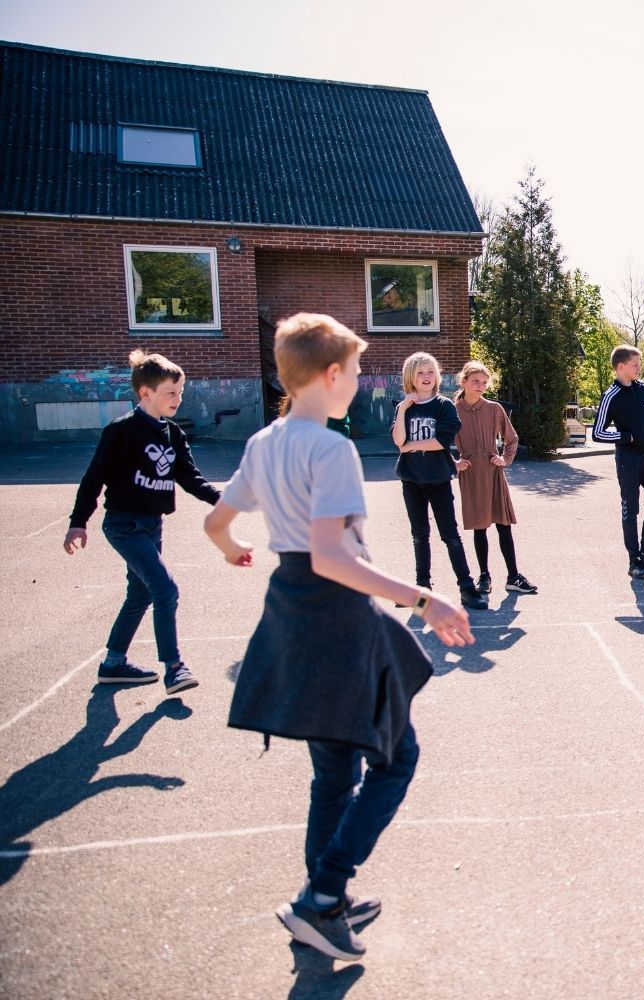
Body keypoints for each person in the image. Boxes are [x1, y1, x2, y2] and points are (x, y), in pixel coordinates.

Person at [204, 313, 474, 963]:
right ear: (330, 376)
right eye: (354, 371)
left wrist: (236, 549)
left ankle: (324, 899)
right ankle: (322, 896)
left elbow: (217, 522)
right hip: (335, 616)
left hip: (289, 609)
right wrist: (424, 597)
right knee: (395, 758)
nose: (358, 381)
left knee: (334, 771)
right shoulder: (331, 449)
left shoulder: (264, 443)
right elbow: (331, 556)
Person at [64, 350, 220, 695]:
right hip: (123, 525)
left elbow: (190, 477)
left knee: (140, 594)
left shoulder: (173, 434)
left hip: (152, 525)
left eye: (180, 393)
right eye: (171, 393)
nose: (178, 400)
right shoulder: (122, 431)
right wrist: (78, 522)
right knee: (165, 589)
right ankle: (175, 668)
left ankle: (113, 664)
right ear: (145, 393)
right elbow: (94, 478)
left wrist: (224, 500)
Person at [392, 352, 487, 610]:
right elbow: (398, 441)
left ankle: (467, 588)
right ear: (410, 377)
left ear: (437, 376)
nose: (426, 377)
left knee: (450, 536)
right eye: (420, 372)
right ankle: (422, 591)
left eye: (430, 372)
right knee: (419, 536)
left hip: (438, 480)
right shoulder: (406, 407)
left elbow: (439, 442)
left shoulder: (444, 406)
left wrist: (410, 446)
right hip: (411, 481)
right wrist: (402, 409)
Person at [452, 360, 535, 595]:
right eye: (475, 381)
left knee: (503, 524)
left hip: (493, 472)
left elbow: (512, 438)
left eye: (484, 383)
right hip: (471, 475)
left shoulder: (494, 409)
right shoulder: (452, 410)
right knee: (480, 527)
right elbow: (438, 442)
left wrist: (505, 459)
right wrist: (455, 462)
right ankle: (484, 576)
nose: (480, 386)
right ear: (464, 382)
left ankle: (513, 576)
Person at [591, 345, 644, 579]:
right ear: (621, 367)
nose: (639, 368)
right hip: (628, 459)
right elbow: (597, 433)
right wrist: (627, 437)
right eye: (635, 365)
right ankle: (635, 561)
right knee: (630, 509)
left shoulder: (642, 388)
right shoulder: (610, 396)